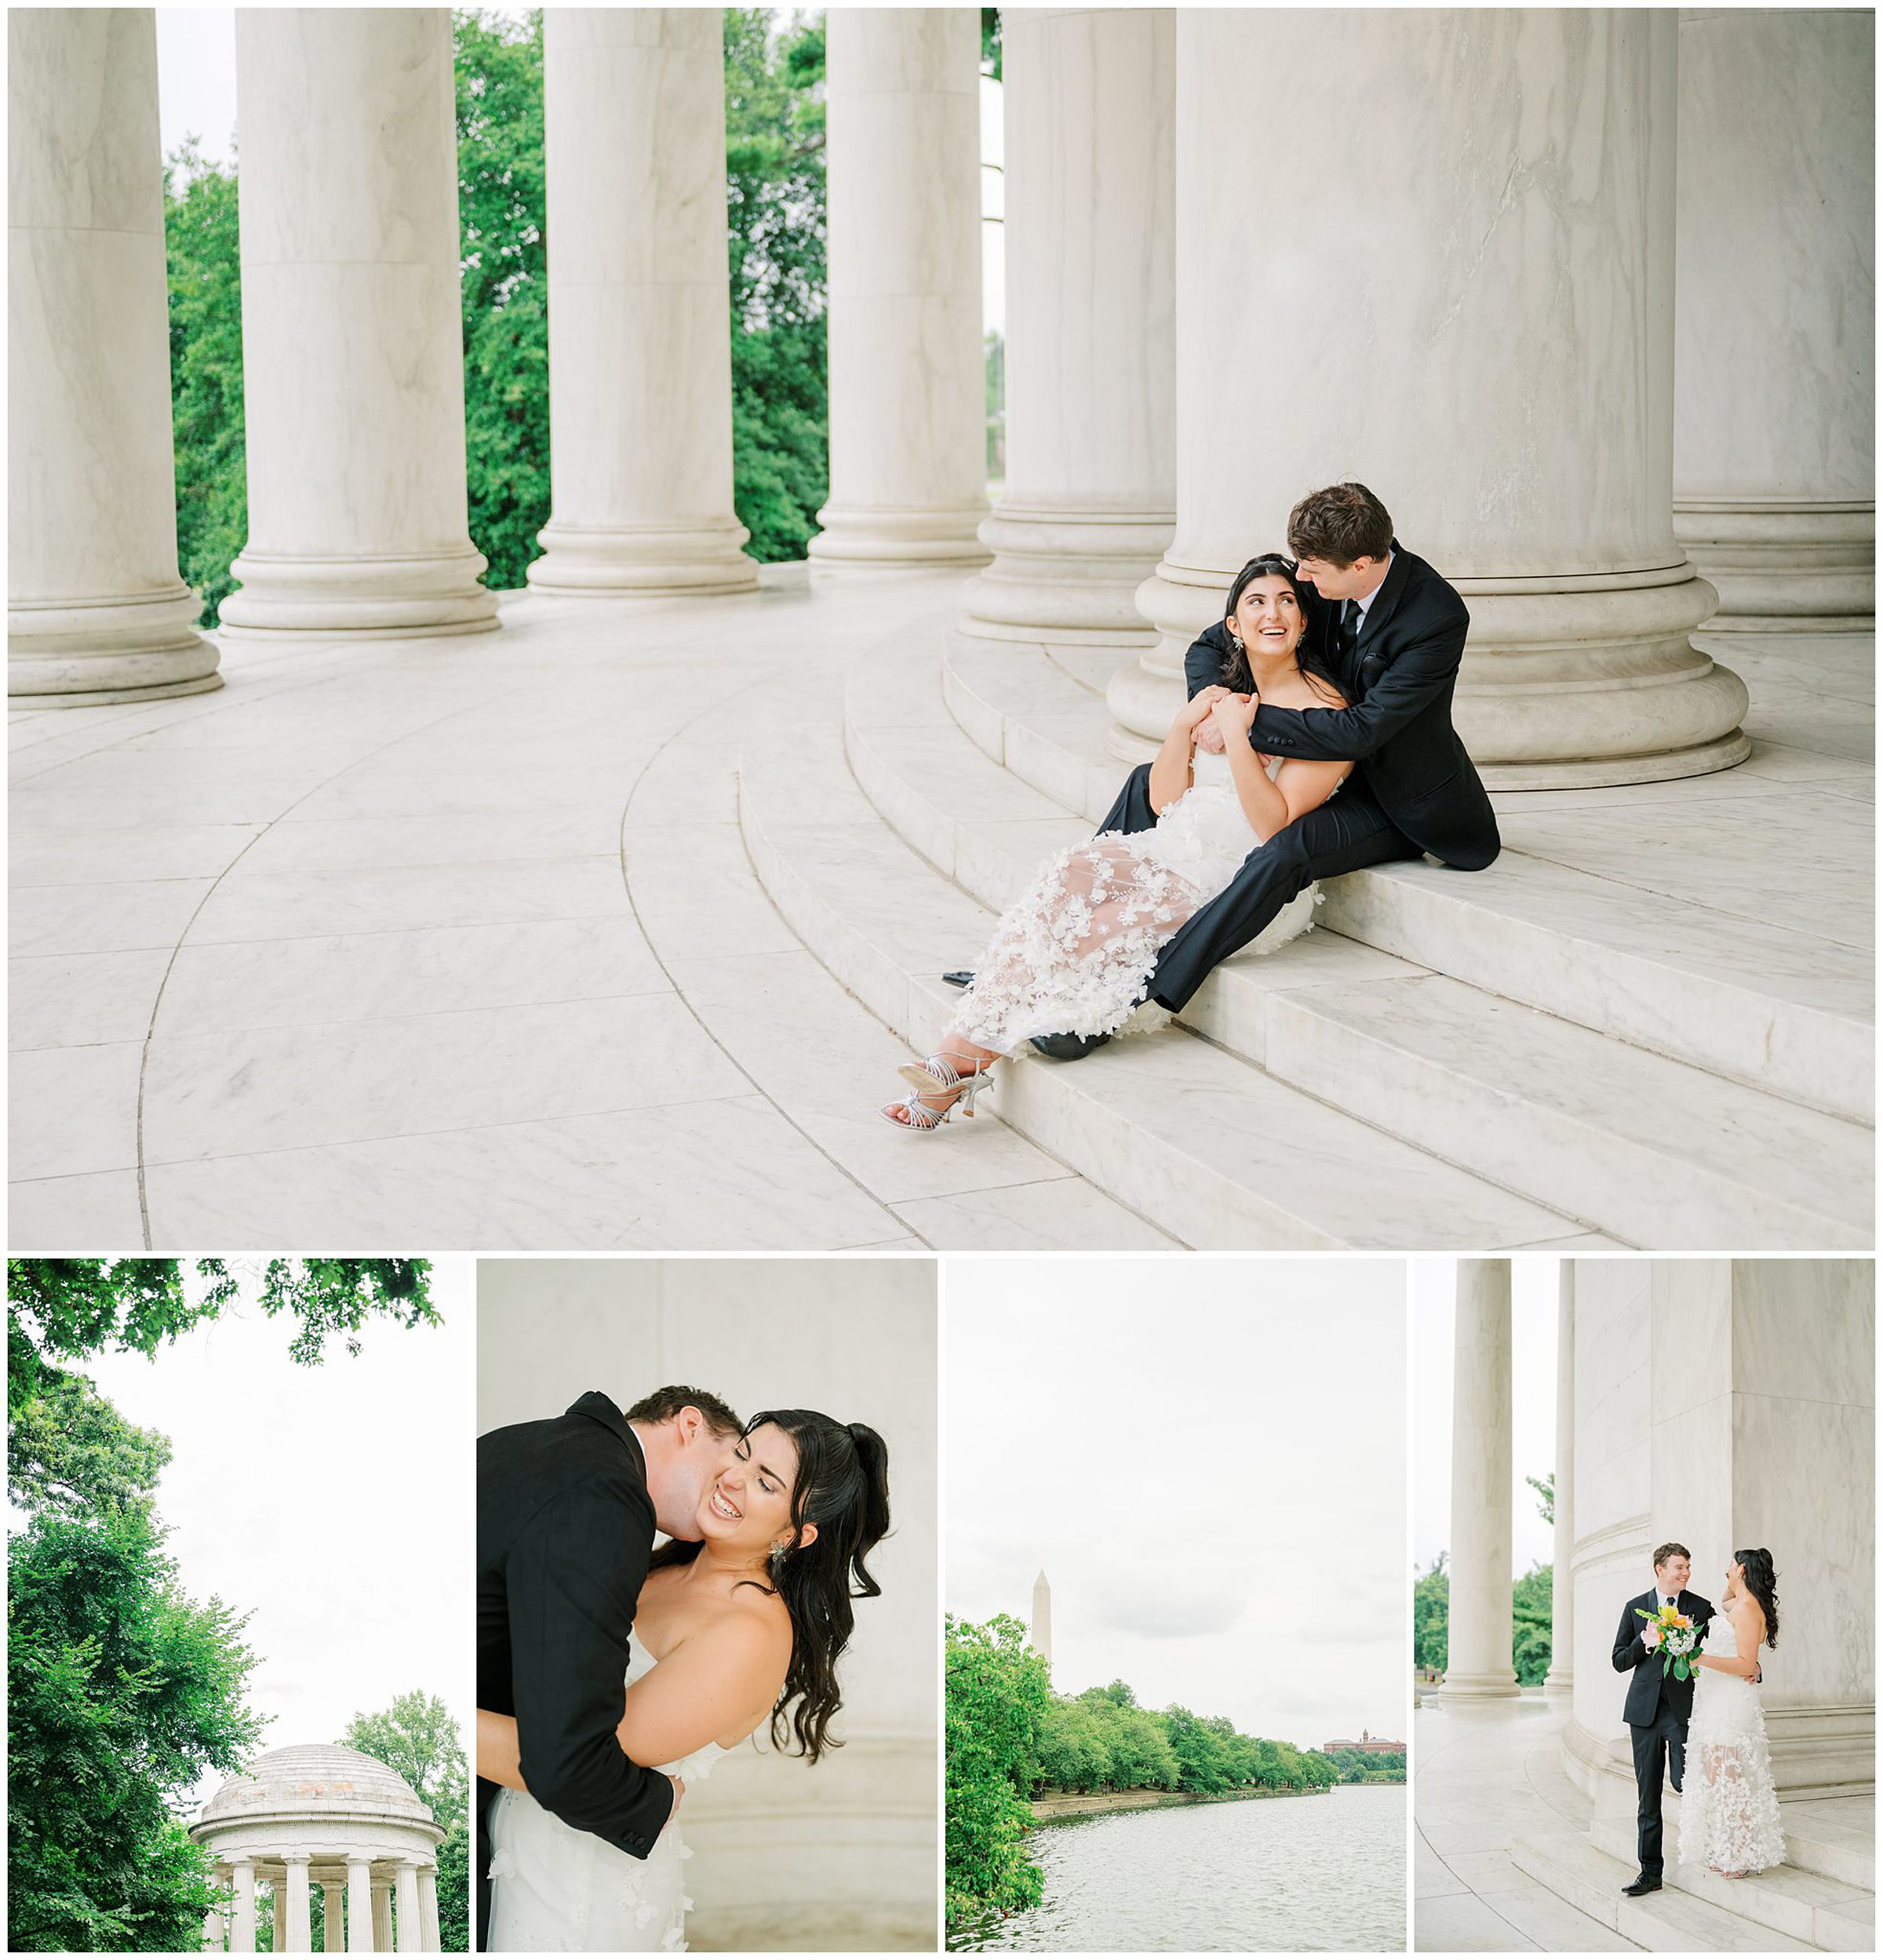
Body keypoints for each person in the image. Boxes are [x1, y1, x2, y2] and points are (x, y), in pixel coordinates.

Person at [981, 480, 1502, 1067]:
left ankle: (1132, 996)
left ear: (1361, 565)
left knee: (1282, 853)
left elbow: (1363, 732)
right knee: (1144, 778)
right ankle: (1047, 947)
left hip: (1392, 797)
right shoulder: (1319, 575)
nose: (1300, 582)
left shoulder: (1435, 615)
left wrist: (1244, 725)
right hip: (1310, 760)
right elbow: (1210, 644)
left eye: (1311, 573)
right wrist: (1208, 706)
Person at [883, 553, 1351, 1128]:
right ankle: (952, 1060)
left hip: (1234, 876)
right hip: (1174, 845)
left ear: (1305, 620)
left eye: (1286, 601)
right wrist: (1184, 726)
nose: (1272, 613)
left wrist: (1235, 739)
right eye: (1256, 602)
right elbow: (1162, 801)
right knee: (1065, 878)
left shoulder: (1327, 710)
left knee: (1101, 929)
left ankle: (949, 1073)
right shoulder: (1221, 693)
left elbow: (1273, 826)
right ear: (1234, 625)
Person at [479, 1404, 891, 1951]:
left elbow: (572, 1761)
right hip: (514, 1844)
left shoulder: (747, 1633)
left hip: (583, 1882)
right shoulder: (663, 1561)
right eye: (742, 1453)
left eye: (765, 1483)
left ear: (797, 1536)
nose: (733, 1478)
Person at [476, 1386, 743, 1947]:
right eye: (728, 1467)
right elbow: (567, 1760)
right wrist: (656, 1801)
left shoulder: (517, 1442)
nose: (729, 1491)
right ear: (689, 1425)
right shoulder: (606, 1494)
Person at [1612, 1542, 1714, 1897]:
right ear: (1660, 1569)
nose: (1685, 1573)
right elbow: (1619, 1660)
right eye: (1679, 1567)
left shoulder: (1700, 1608)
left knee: (1688, 1782)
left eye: (1688, 1567)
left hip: (1682, 1711)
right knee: (1648, 1796)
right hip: (1643, 1714)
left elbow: (1723, 1649)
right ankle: (1650, 1872)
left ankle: (1712, 1851)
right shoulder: (1635, 1608)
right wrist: (1644, 1641)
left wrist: (1753, 1666)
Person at [1679, 1549, 1786, 1879]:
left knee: (1729, 1778)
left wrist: (1700, 1658)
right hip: (1716, 1699)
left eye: (1730, 1565)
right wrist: (1736, 1581)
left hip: (1731, 1703)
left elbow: (1744, 1664)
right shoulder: (1739, 1606)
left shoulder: (1749, 1611)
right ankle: (1729, 1846)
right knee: (1717, 1776)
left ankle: (1739, 1854)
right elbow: (1727, 1599)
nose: (1725, 1571)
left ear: (1741, 1567)